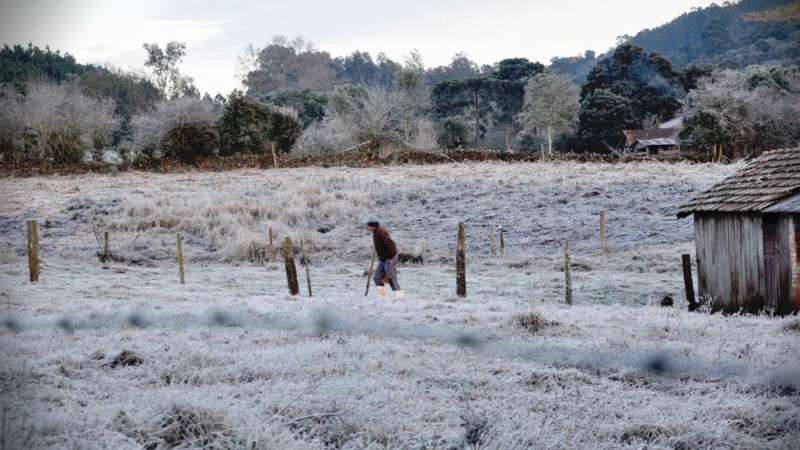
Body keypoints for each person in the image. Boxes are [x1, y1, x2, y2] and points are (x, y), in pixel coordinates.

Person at [366, 217, 402, 298]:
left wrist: (390, 259)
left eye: (369, 226)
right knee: (376, 277)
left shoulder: (381, 232)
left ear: (373, 226)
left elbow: (392, 245)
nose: (368, 227)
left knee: (391, 278)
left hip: (389, 258)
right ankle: (382, 295)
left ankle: (399, 297)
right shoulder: (376, 231)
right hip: (383, 259)